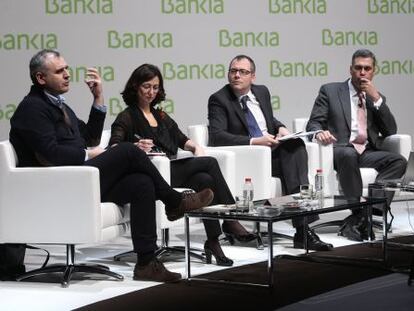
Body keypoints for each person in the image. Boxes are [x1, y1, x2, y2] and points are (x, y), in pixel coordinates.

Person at [9, 49, 215, 283]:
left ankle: (147, 263)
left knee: (142, 183)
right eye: (59, 71)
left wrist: (98, 99)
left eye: (66, 68)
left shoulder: (58, 106)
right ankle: (175, 201)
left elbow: (89, 138)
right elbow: (52, 154)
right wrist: (87, 153)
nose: (67, 74)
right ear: (40, 78)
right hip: (58, 185)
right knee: (127, 149)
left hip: (78, 179)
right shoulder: (32, 108)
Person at [109, 64, 257, 267]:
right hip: (154, 175)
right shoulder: (127, 116)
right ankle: (230, 219)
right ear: (135, 86)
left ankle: (213, 242)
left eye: (155, 87)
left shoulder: (160, 115)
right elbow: (114, 147)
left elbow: (181, 139)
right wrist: (134, 146)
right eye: (146, 86)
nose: (151, 92)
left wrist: (195, 147)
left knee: (204, 180)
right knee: (211, 163)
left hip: (171, 170)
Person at [208, 55, 332, 251]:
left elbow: (267, 120)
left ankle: (303, 229)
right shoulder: (219, 99)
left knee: (296, 145)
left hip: (272, 152)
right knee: (292, 162)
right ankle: (303, 230)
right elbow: (217, 136)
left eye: (243, 72)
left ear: (253, 77)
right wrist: (256, 141)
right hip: (249, 158)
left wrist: (281, 128)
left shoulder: (262, 92)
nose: (237, 75)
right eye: (233, 71)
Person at [306, 49, 407, 241]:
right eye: (358, 68)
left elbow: (390, 131)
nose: (362, 72)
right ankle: (359, 213)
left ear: (373, 71)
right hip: (339, 150)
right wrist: (320, 132)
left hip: (366, 151)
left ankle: (369, 211)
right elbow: (313, 123)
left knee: (399, 161)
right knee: (348, 154)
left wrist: (376, 100)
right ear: (350, 69)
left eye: (367, 68)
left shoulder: (375, 97)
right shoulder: (331, 90)